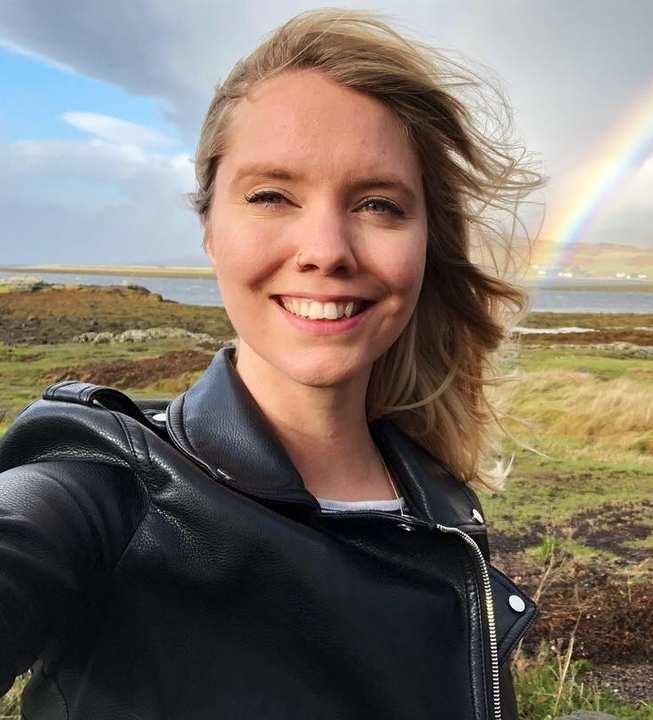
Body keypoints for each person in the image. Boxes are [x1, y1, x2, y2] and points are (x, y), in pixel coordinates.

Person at [0, 9, 543, 719]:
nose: (326, 248)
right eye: (271, 196)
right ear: (210, 232)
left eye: (378, 204)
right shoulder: (102, 490)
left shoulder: (439, 507)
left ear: (424, 244)